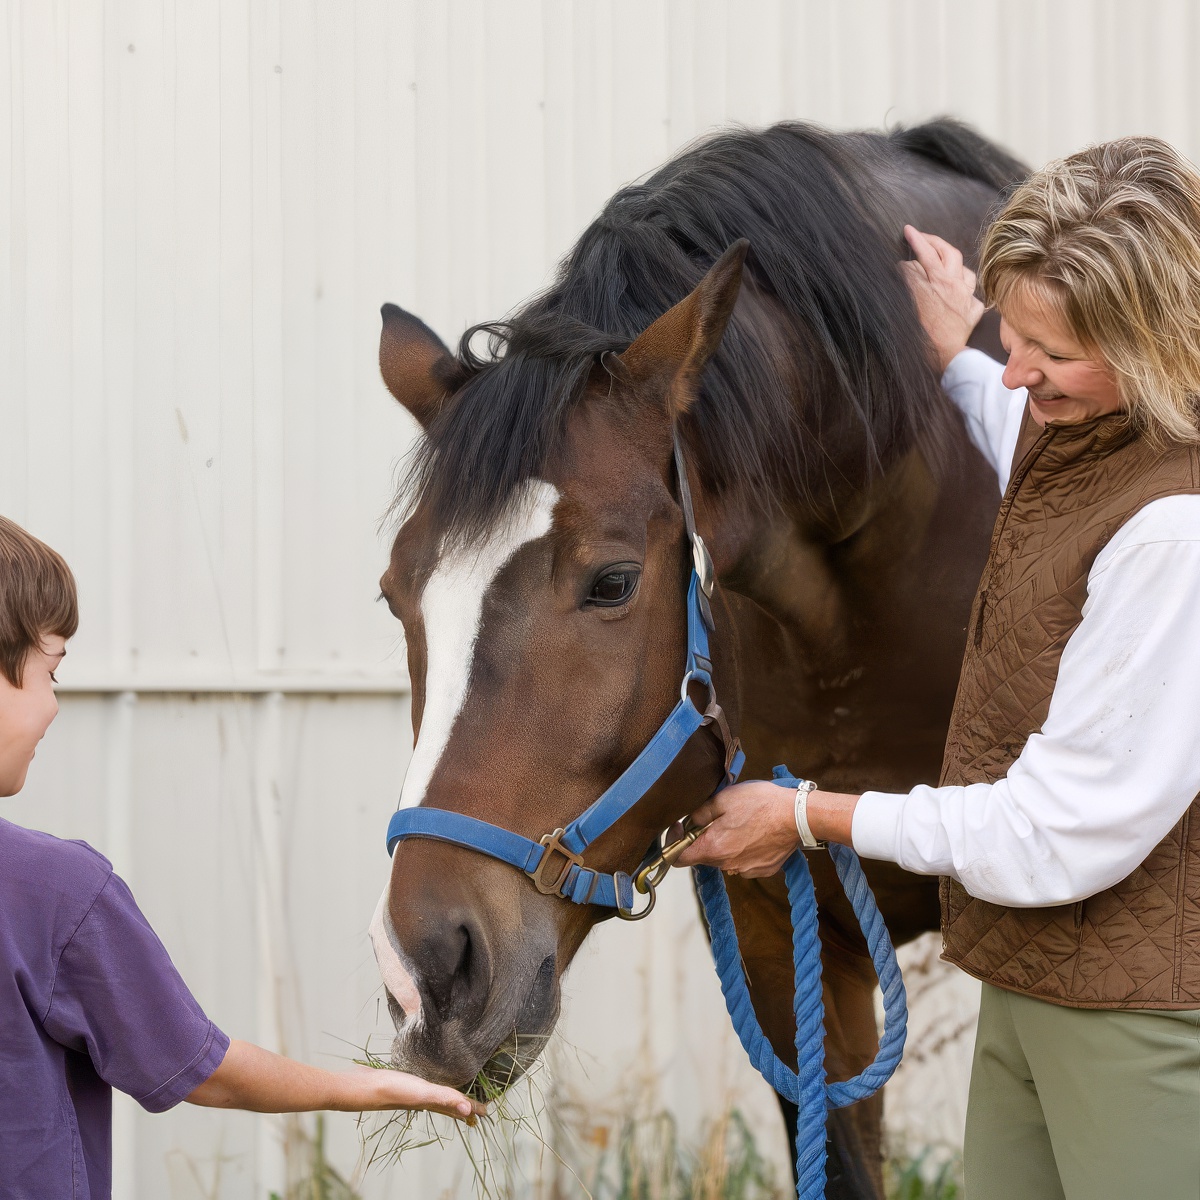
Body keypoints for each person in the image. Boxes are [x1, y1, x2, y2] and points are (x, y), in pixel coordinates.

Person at [677, 136, 1200, 1200]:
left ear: (1151, 342)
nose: (1017, 370)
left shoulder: (1174, 539)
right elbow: (1032, 437)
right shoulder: (1102, 434)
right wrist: (963, 334)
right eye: (1014, 337)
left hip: (1138, 1021)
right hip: (1038, 988)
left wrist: (809, 817)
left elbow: (1054, 832)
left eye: (1047, 349)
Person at [0, 517, 484, 1199]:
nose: (54, 705)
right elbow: (203, 1068)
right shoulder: (54, 895)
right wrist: (361, 1087)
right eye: (51, 669)